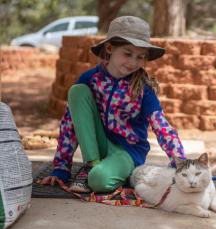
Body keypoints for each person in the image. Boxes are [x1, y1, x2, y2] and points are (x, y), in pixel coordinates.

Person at [39, 16, 186, 193]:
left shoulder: (143, 90)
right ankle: (91, 165)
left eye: (140, 57)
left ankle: (111, 173)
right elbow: (70, 124)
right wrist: (61, 169)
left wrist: (181, 163)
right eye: (127, 53)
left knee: (98, 181)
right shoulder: (90, 79)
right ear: (109, 48)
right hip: (99, 146)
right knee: (77, 91)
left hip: (128, 153)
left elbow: (162, 127)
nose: (133, 62)